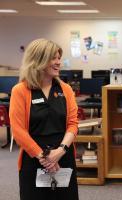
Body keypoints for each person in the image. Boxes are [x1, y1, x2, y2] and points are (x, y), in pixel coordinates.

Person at [9, 38, 79, 200]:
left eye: (59, 58)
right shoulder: (21, 90)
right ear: (38, 60)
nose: (58, 62)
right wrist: (44, 157)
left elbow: (73, 124)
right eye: (53, 58)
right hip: (33, 158)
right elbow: (18, 131)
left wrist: (59, 152)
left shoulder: (65, 89)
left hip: (63, 156)